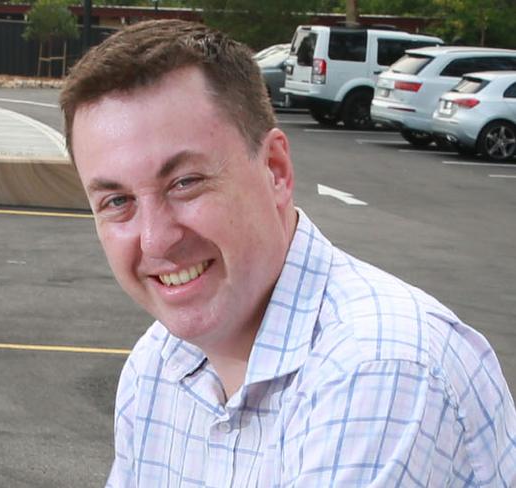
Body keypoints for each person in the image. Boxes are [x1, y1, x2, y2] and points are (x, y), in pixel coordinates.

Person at [60, 20, 516, 487]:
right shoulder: (155, 368)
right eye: (117, 202)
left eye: (185, 182)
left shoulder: (380, 369)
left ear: (275, 170)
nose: (155, 240)